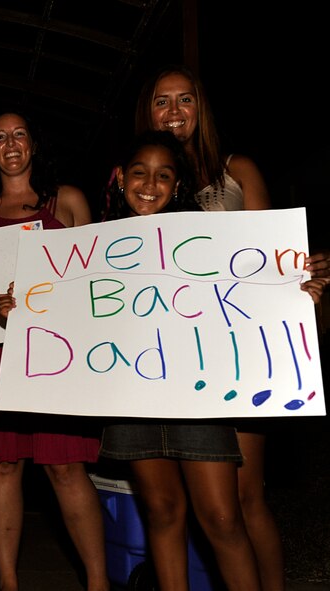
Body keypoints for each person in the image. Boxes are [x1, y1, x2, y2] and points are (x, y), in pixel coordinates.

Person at [134, 64, 329, 591]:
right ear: (146, 112)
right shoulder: (139, 183)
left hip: (242, 357)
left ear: (202, 108)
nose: (173, 112)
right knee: (190, 507)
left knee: (244, 500)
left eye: (185, 100)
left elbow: (274, 254)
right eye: (161, 101)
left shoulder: (236, 170)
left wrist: (301, 280)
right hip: (175, 365)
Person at [93, 130, 265, 591]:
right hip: (133, 397)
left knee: (223, 518)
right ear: (119, 177)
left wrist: (298, 282)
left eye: (163, 175)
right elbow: (70, 311)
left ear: (177, 185)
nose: (150, 183)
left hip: (198, 396)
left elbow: (256, 283)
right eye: (139, 172)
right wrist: (23, 308)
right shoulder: (91, 248)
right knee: (162, 513)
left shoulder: (203, 242)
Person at [0, 111, 109, 591]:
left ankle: (99, 583)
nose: (11, 143)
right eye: (0, 137)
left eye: (19, 133)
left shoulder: (70, 202)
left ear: (34, 144)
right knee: (3, 463)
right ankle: (7, 582)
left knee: (66, 465)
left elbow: (99, 279)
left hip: (56, 354)